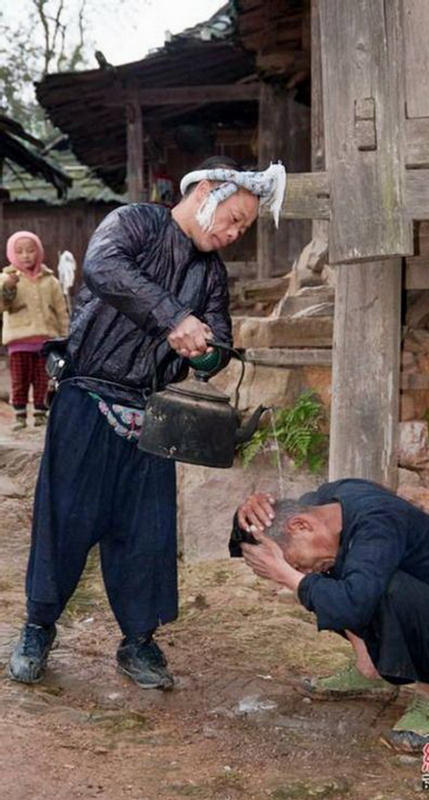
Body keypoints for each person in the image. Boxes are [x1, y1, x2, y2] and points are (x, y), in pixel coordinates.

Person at [8, 157, 286, 690]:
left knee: (146, 532)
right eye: (233, 219)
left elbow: (220, 346)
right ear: (206, 190)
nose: (233, 234)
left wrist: (205, 353)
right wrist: (174, 318)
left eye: (244, 229)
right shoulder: (134, 222)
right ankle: (38, 627)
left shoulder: (209, 274)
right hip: (87, 397)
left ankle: (138, 641)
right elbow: (104, 269)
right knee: (65, 519)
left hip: (153, 412)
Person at [232, 478, 429, 752]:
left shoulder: (378, 523)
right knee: (328, 574)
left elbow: (353, 603)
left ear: (301, 525)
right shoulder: (327, 503)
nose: (301, 570)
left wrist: (291, 578)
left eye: (295, 562)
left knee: (379, 587)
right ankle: (371, 664)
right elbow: (250, 543)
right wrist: (245, 514)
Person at [0, 231, 69, 430]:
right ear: (11, 254)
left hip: (45, 342)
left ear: (38, 252)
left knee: (42, 379)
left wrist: (65, 337)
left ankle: (40, 413)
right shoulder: (7, 279)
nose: (25, 256)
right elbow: (2, 306)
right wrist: (8, 288)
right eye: (19, 251)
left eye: (30, 251)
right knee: (19, 380)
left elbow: (61, 311)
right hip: (18, 343)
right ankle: (20, 415)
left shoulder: (51, 281)